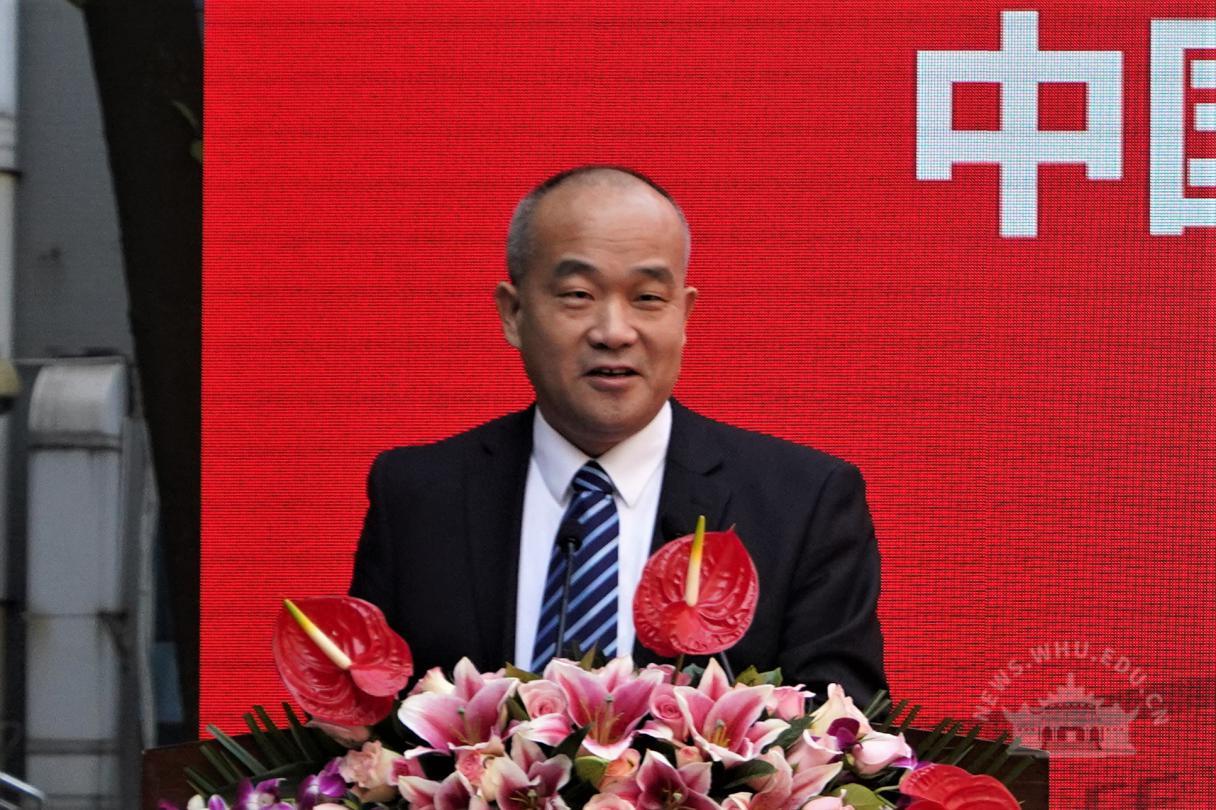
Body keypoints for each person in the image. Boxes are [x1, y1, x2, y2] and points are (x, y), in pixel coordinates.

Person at [349, 165, 887, 704]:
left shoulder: (803, 502)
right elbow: (365, 719)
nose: (613, 332)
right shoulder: (417, 495)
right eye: (578, 294)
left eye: (648, 298)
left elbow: (844, 729)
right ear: (513, 313)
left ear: (684, 315)